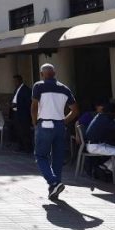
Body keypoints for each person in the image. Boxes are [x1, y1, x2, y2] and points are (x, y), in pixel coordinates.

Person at [31, 64, 79, 201]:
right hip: (59, 126)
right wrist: (64, 121)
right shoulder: (64, 88)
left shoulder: (38, 86)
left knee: (40, 156)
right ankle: (54, 191)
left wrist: (34, 122)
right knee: (57, 158)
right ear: (55, 73)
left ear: (42, 74)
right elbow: (75, 110)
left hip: (44, 124)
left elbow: (34, 107)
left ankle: (54, 182)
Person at [85, 103, 115, 180]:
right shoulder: (105, 119)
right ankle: (107, 170)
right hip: (96, 146)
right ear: (109, 112)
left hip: (95, 145)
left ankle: (104, 168)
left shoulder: (100, 116)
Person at [11, 75, 32, 152]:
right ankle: (21, 146)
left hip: (23, 114)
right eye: (14, 81)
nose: (14, 83)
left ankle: (28, 148)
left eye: (16, 81)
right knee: (18, 130)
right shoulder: (16, 89)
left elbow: (28, 103)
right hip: (16, 113)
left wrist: (16, 104)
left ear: (20, 81)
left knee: (25, 131)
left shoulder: (26, 90)